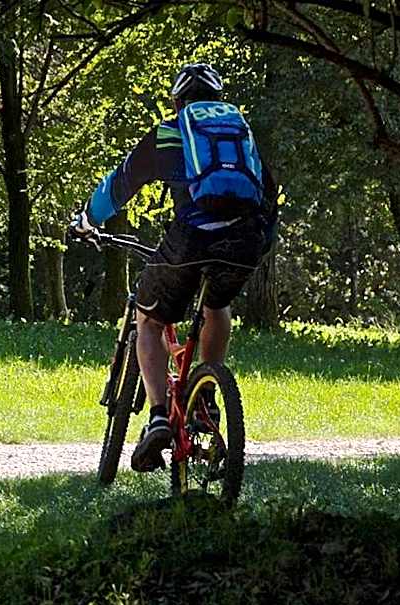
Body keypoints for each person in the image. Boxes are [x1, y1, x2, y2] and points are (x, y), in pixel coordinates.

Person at [70, 63, 278, 472]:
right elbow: (269, 194)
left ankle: (160, 417)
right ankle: (206, 396)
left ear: (178, 101)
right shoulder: (241, 138)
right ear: (217, 101)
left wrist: (87, 220)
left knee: (148, 319)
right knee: (216, 305)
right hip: (246, 240)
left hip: (194, 237)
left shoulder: (170, 132)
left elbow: (120, 185)